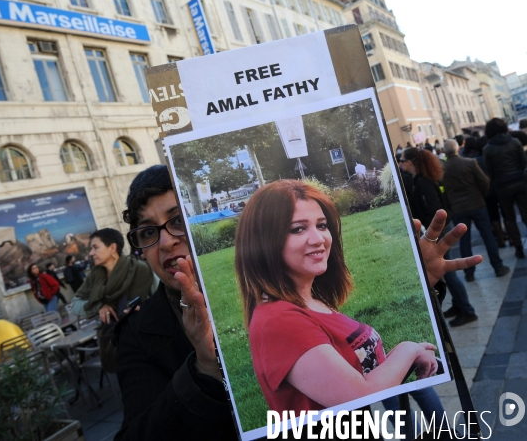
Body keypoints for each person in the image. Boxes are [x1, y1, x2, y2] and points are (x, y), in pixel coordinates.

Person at [113, 164, 481, 440]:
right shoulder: (140, 335)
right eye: (148, 232)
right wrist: (203, 371)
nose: (165, 243)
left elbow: (358, 374)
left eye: (178, 222)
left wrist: (424, 282)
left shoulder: (307, 297)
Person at [235, 180, 441, 412]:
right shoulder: (279, 320)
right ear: (263, 243)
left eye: (321, 225)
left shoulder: (308, 302)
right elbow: (358, 395)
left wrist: (428, 284)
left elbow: (353, 373)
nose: (318, 239)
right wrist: (407, 349)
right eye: (298, 229)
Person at [400, 147, 478, 327]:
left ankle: (467, 310)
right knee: (445, 272)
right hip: (440, 229)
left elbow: (435, 209)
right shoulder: (422, 180)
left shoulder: (422, 183)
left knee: (446, 272)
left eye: (402, 161)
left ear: (410, 163)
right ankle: (459, 306)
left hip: (438, 231)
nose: (401, 164)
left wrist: (429, 231)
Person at [73, 228, 156, 373]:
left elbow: (162, 301)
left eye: (95, 247)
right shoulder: (95, 276)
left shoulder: (140, 269)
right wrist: (99, 306)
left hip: (147, 343)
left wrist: (144, 309)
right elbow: (75, 304)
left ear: (112, 248)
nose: (91, 253)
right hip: (112, 344)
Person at [442, 139, 510, 281]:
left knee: (464, 240)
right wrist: (480, 194)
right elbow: (485, 181)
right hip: (477, 203)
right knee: (487, 235)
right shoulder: (470, 163)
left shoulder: (443, 169)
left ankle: (469, 273)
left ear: (444, 152)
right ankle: (498, 266)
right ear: (458, 149)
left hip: (458, 208)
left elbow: (443, 190)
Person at [483, 118, 527, 259]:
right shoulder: (515, 142)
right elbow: (523, 163)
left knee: (509, 218)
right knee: (525, 212)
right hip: (519, 181)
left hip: (502, 186)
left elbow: (490, 171)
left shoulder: (487, 149)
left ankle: (518, 246)